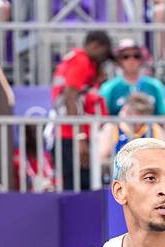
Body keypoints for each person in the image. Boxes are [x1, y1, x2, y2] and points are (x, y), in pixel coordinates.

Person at [51, 30, 113, 190]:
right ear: (95, 46)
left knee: (79, 185)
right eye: (104, 55)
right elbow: (70, 96)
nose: (104, 60)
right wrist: (80, 137)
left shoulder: (76, 59)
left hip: (68, 134)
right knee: (81, 188)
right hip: (72, 137)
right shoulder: (82, 61)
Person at [97, 91, 165, 174]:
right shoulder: (112, 128)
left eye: (140, 114)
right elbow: (101, 159)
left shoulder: (155, 129)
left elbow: (164, 159)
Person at [99, 38, 165, 118]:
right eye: (125, 57)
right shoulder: (108, 87)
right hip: (117, 129)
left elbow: (164, 115)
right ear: (118, 61)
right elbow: (103, 118)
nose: (131, 60)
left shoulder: (155, 85)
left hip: (149, 129)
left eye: (136, 56)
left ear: (142, 59)